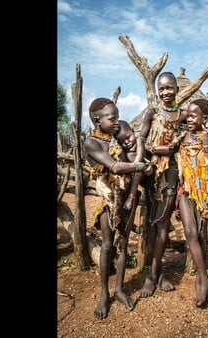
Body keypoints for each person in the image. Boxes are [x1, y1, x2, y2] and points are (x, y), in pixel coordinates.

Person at [138, 72, 208, 297]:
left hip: (177, 176)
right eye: (161, 88)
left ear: (176, 88)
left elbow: (199, 129)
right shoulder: (152, 113)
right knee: (157, 225)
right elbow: (140, 140)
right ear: (157, 90)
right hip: (156, 174)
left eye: (169, 88)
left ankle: (158, 275)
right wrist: (156, 149)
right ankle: (155, 274)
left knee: (175, 226)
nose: (166, 92)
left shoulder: (184, 115)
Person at [83, 98, 150, 320]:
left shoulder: (114, 138)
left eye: (116, 116)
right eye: (112, 118)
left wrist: (132, 191)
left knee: (123, 243)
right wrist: (140, 165)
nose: (116, 121)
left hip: (125, 198)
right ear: (97, 120)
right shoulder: (92, 143)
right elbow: (115, 167)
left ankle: (119, 289)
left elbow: (134, 149)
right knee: (107, 244)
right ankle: (104, 293)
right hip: (108, 200)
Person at [174, 98, 208, 307]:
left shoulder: (207, 136)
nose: (188, 119)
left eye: (193, 116)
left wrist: (207, 143)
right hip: (185, 190)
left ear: (204, 118)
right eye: (187, 115)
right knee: (190, 232)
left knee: (201, 234)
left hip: (203, 192)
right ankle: (204, 276)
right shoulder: (182, 136)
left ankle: (201, 280)